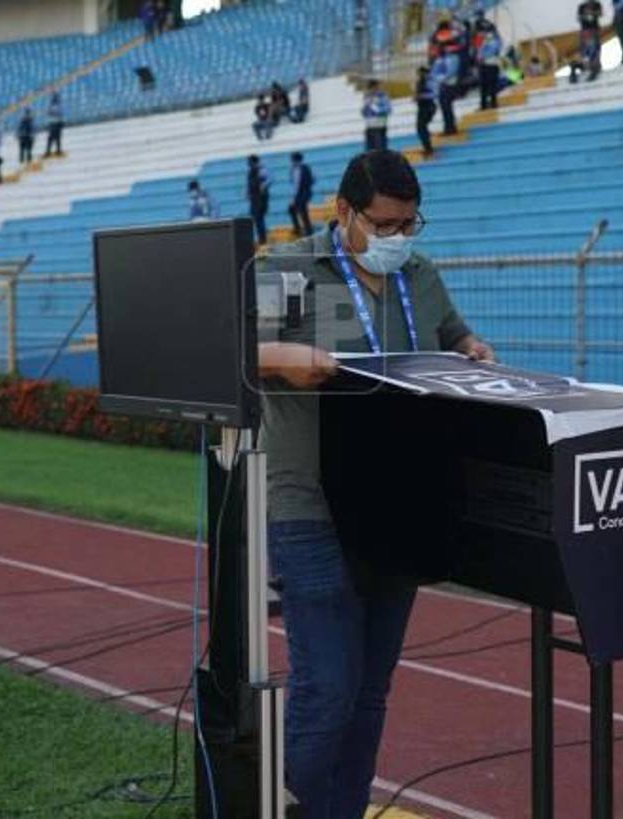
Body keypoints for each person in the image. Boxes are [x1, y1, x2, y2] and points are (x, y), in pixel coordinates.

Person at [255, 149, 493, 819]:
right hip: (311, 505)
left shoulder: (418, 273)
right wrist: (280, 355)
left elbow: (451, 332)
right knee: (327, 689)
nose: (397, 239)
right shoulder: (294, 269)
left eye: (409, 225)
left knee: (369, 693)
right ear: (344, 212)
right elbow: (223, 347)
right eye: (384, 225)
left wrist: (472, 346)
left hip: (397, 506)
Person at [474, 17, 502, 110]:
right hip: (483, 65)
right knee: (483, 86)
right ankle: (483, 105)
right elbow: (478, 51)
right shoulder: (482, 39)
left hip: (491, 64)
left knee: (492, 86)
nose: (481, 34)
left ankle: (493, 104)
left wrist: (482, 55)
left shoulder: (494, 39)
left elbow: (493, 50)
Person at [572, 0, 603, 83]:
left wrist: (592, 13)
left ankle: (595, 67)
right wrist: (585, 16)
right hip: (585, 29)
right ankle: (578, 71)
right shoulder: (581, 6)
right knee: (583, 50)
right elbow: (578, 17)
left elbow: (600, 14)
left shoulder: (596, 4)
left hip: (594, 29)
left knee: (595, 48)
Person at [431, 51, 459, 136]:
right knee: (445, 108)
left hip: (447, 85)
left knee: (447, 107)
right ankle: (448, 127)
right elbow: (434, 73)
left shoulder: (451, 58)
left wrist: (441, 78)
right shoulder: (439, 60)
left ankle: (451, 128)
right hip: (442, 85)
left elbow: (450, 72)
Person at [288, 152, 314, 238]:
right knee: (292, 209)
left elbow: (311, 180)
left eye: (292, 160)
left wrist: (306, 188)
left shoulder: (305, 168)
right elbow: (294, 184)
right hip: (298, 194)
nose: (291, 162)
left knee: (302, 211)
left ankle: (308, 230)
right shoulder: (293, 170)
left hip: (304, 193)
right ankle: (298, 229)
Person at [246, 154, 271, 245]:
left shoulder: (261, 170)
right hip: (254, 199)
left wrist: (263, 186)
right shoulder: (250, 171)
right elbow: (248, 183)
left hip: (261, 198)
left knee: (259, 218)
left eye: (249, 162)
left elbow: (269, 179)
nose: (248, 164)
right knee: (255, 218)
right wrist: (247, 192)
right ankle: (261, 237)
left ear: (254, 162)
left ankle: (263, 239)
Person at [361, 80, 391, 151]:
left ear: (375, 87)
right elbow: (364, 113)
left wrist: (376, 109)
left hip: (380, 125)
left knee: (380, 148)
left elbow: (388, 109)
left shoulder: (383, 96)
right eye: (369, 89)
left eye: (372, 88)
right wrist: (366, 108)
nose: (370, 91)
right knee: (369, 150)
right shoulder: (367, 97)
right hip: (370, 126)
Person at [414, 64, 436, 157]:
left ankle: (428, 148)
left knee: (421, 127)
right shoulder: (421, 82)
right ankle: (427, 146)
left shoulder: (430, 81)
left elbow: (434, 94)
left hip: (428, 106)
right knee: (421, 127)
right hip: (423, 107)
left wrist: (420, 96)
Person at [44, 93, 64, 157]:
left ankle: (51, 151)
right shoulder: (56, 106)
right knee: (54, 138)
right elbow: (50, 113)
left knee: (52, 138)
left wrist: (51, 112)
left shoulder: (56, 106)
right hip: (55, 123)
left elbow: (53, 113)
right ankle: (54, 151)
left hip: (55, 123)